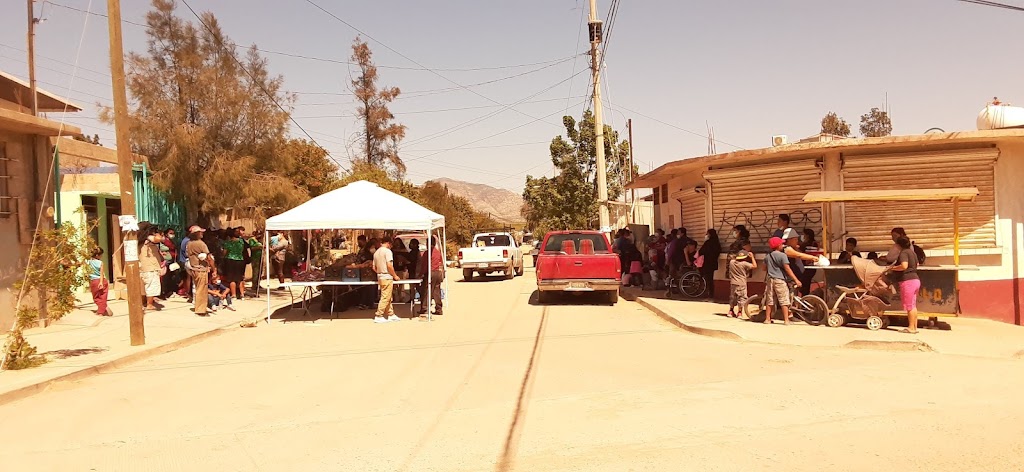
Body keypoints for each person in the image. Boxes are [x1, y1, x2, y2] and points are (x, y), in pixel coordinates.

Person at [888, 236, 921, 334]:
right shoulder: (912, 253)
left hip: (907, 281)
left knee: (909, 306)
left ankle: (910, 327)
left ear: (898, 245)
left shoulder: (904, 253)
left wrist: (892, 268)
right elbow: (917, 264)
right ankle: (914, 327)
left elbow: (904, 266)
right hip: (915, 280)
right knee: (913, 305)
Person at [764, 236, 801, 325]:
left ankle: (767, 319)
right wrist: (796, 280)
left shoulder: (768, 256)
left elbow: (764, 268)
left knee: (770, 300)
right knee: (784, 300)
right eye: (781, 244)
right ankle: (786, 320)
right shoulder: (782, 255)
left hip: (770, 279)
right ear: (778, 246)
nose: (783, 245)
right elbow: (788, 269)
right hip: (779, 280)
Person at [781, 228, 819, 297]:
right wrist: (812, 257)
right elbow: (799, 255)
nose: (797, 241)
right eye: (795, 239)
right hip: (789, 276)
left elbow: (799, 253)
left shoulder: (792, 248)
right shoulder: (786, 249)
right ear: (789, 240)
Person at [186, 226, 212, 316]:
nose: (202, 233)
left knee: (197, 288)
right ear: (196, 234)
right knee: (202, 290)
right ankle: (201, 310)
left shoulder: (189, 243)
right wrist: (214, 268)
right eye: (200, 232)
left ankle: (198, 306)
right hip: (201, 269)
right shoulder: (201, 244)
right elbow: (209, 257)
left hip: (193, 268)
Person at [373, 238, 401, 323]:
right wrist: (395, 275)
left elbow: (374, 267)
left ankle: (390, 314)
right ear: (389, 243)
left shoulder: (376, 252)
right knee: (385, 297)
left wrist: (379, 272)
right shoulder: (388, 252)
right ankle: (379, 315)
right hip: (387, 276)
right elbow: (389, 265)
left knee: (388, 296)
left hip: (380, 276)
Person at [726, 238, 756, 318]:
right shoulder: (744, 264)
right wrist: (752, 257)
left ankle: (731, 311)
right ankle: (739, 312)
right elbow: (754, 266)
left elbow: (733, 258)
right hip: (742, 283)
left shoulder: (732, 262)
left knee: (732, 297)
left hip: (733, 283)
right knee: (742, 298)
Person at [418, 236, 445, 316]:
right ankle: (439, 308)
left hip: (431, 272)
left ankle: (424, 308)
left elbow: (424, 265)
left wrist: (421, 274)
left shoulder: (427, 252)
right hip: (438, 272)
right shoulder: (437, 251)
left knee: (426, 290)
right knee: (436, 291)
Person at [139, 228, 164, 312]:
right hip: (150, 267)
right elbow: (159, 239)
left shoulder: (140, 241)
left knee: (143, 287)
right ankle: (149, 304)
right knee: (151, 286)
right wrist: (157, 234)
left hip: (143, 267)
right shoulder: (149, 238)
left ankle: (143, 303)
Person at [221, 227, 246, 300]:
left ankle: (234, 294)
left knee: (232, 279)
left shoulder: (228, 243)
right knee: (240, 278)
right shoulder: (241, 241)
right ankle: (242, 294)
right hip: (240, 260)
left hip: (230, 260)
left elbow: (224, 253)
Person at [698, 229, 722, 299]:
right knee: (710, 279)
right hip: (713, 264)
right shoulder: (717, 243)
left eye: (707, 234)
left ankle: (709, 295)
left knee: (708, 280)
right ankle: (710, 294)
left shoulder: (708, 243)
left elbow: (701, 251)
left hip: (707, 264)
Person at [796, 228, 820, 296]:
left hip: (807, 267)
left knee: (805, 284)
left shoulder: (808, 244)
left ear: (807, 235)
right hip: (810, 267)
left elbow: (800, 251)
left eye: (804, 235)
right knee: (806, 284)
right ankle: (805, 298)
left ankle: (805, 299)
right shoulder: (814, 243)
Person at [88, 247, 111, 316]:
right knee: (103, 296)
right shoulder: (100, 263)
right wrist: (101, 282)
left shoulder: (88, 262)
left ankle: (101, 310)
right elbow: (101, 273)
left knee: (96, 297)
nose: (102, 256)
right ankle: (103, 308)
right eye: (101, 255)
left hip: (94, 281)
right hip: (102, 280)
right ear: (97, 255)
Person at [159, 228, 178, 300]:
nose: (172, 235)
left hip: (171, 260)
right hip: (165, 261)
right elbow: (171, 247)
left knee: (170, 277)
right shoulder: (163, 242)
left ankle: (168, 291)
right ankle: (163, 292)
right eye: (170, 233)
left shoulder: (171, 241)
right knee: (164, 278)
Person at [247, 229, 264, 294]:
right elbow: (252, 248)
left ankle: (258, 283)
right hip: (255, 258)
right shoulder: (252, 240)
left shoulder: (260, 240)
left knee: (260, 271)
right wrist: (259, 247)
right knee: (256, 271)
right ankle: (254, 285)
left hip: (260, 257)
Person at [178, 229, 193, 300]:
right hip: (186, 261)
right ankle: (189, 293)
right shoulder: (188, 241)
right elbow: (188, 253)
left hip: (184, 260)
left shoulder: (185, 240)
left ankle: (188, 292)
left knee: (187, 277)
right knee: (189, 277)